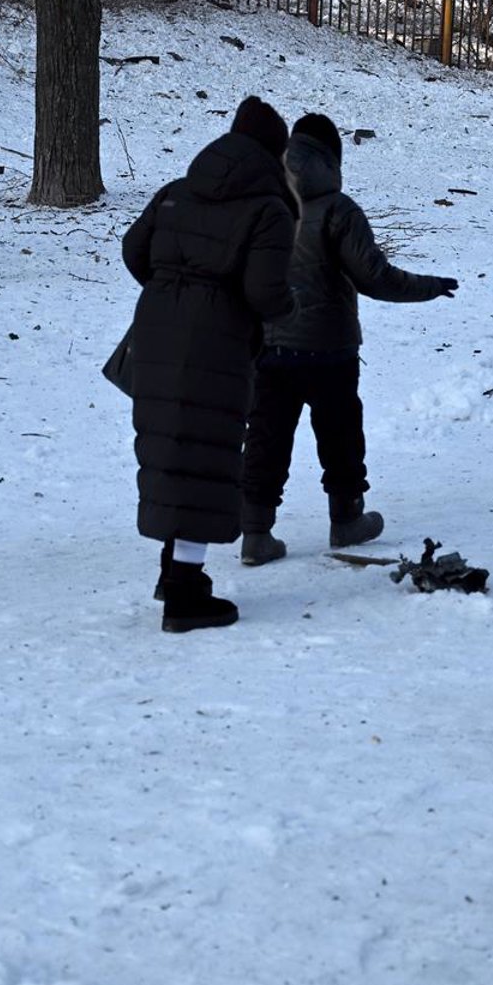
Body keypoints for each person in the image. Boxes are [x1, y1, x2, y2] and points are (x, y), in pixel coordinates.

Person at [239, 114, 458, 565]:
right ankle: (346, 519)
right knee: (340, 436)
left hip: (272, 346)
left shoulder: (263, 205)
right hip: (329, 349)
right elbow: (376, 278)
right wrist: (430, 287)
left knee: (266, 437)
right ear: (331, 160)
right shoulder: (339, 210)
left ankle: (255, 533)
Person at [122, 97, 298, 632]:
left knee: (171, 453)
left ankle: (172, 572)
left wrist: (171, 293)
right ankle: (184, 594)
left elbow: (134, 250)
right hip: (217, 342)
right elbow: (264, 292)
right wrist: (288, 306)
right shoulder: (269, 209)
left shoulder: (177, 191)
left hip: (156, 333)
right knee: (205, 462)